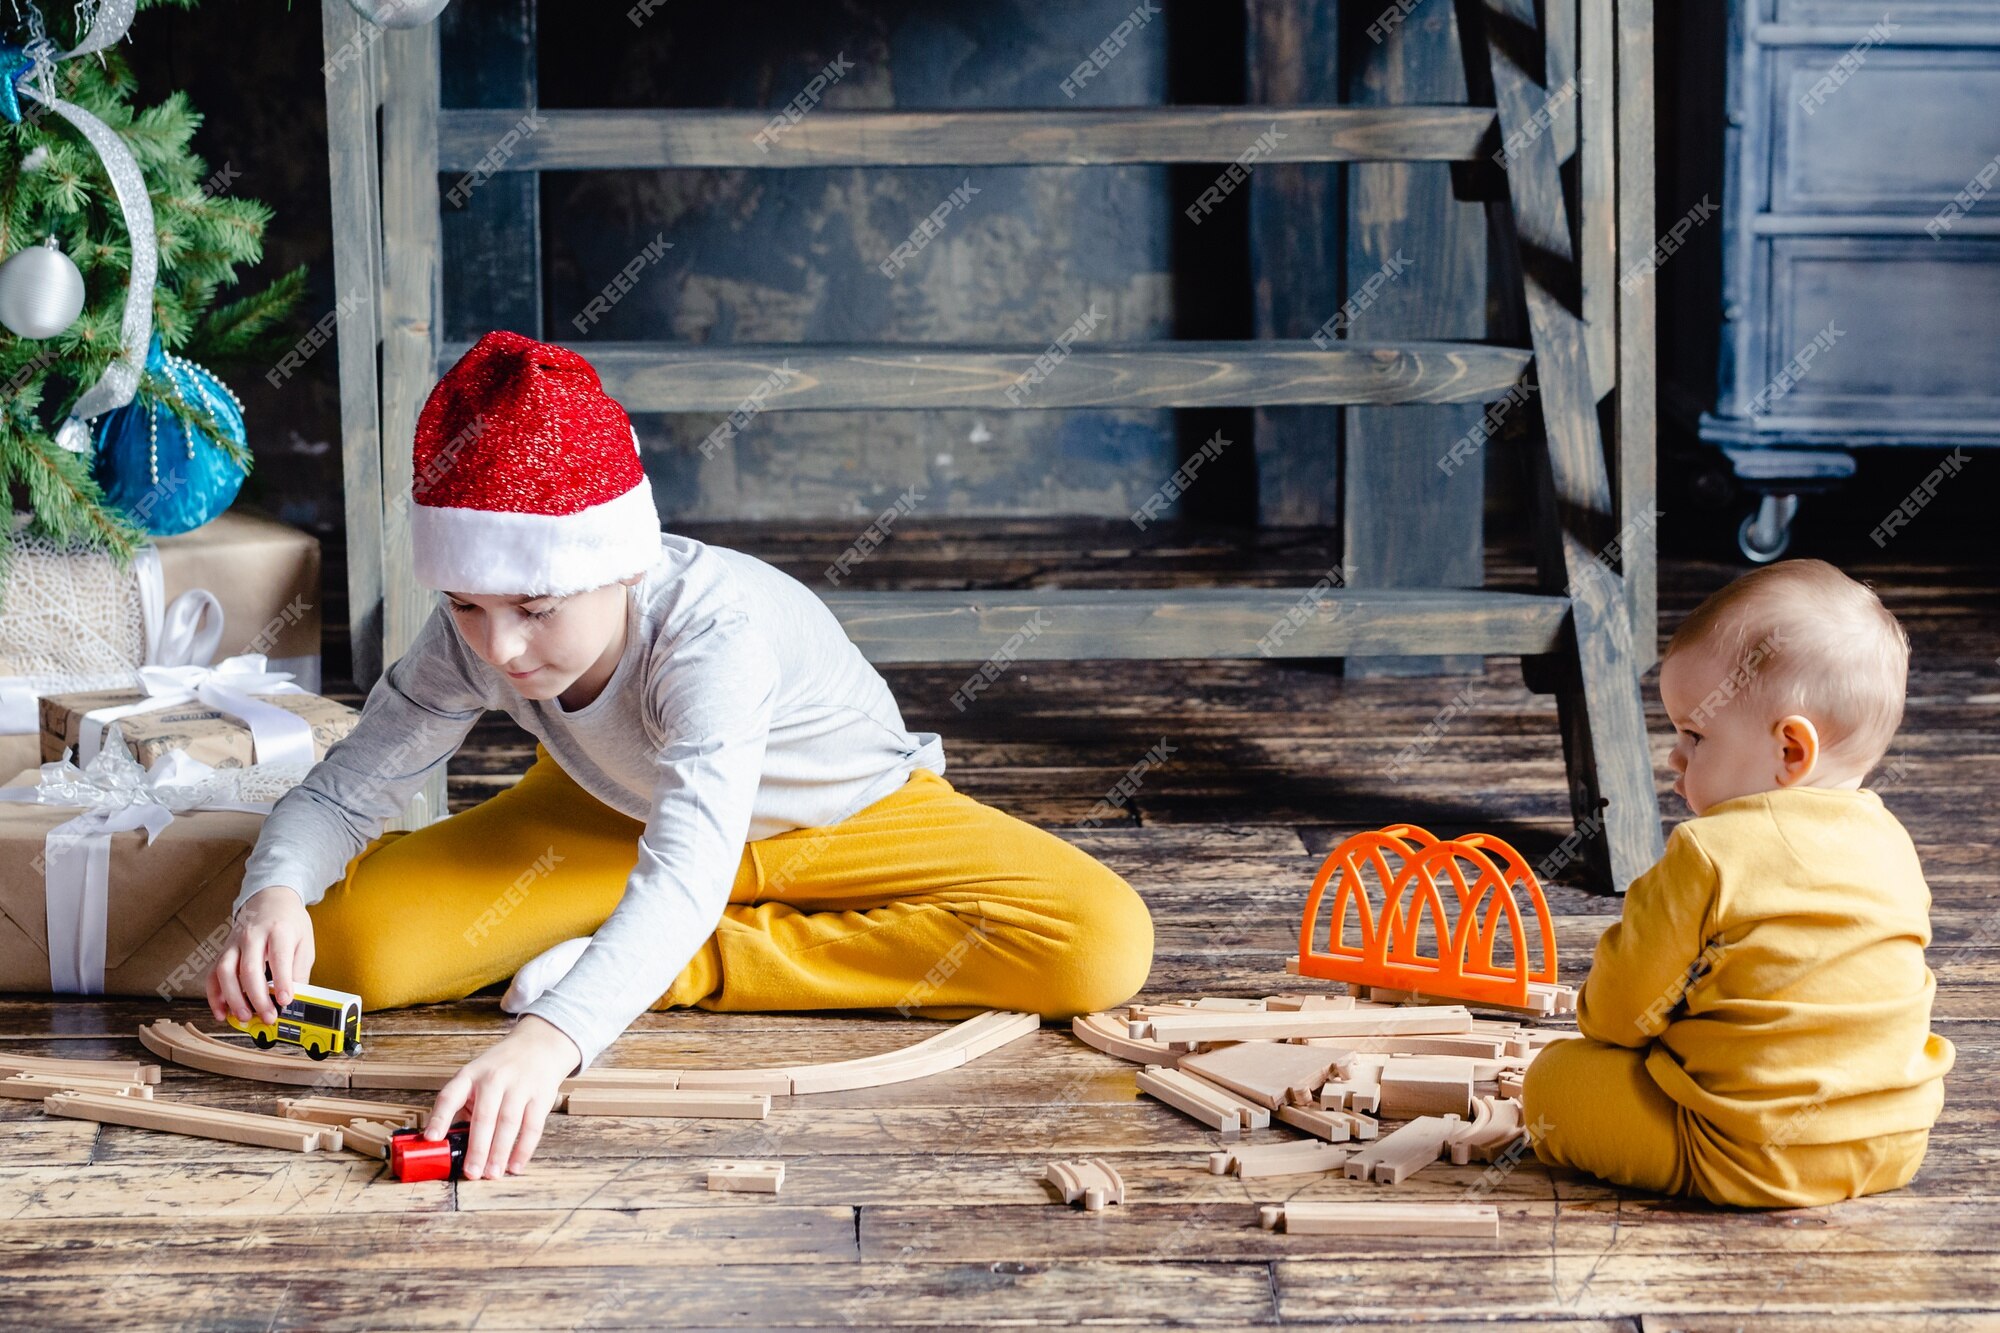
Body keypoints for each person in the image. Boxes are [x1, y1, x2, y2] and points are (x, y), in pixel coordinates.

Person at [205, 330, 1154, 1179]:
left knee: (1104, 941)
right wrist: (273, 892)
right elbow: (343, 791)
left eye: (535, 610)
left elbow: (691, 866)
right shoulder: (478, 629)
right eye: (466, 606)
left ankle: (686, 965)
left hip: (837, 815)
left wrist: (555, 1035)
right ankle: (628, 953)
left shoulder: (712, 634)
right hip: (614, 811)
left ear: (623, 563)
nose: (498, 647)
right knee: (353, 947)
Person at [1522, 559, 1955, 1206]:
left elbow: (1618, 1015)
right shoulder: (1894, 845)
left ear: (1790, 751)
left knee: (1553, 1081)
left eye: (1695, 734)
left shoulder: (1708, 851)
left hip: (1741, 1154)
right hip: (1894, 1141)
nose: (1675, 756)